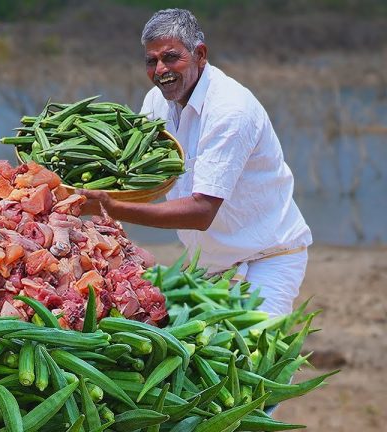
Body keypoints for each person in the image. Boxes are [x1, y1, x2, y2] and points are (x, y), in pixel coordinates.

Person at [80, 8, 312, 317]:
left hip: (266, 257)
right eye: (152, 61)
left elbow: (202, 210)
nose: (161, 69)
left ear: (200, 54)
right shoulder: (155, 103)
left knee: (257, 355)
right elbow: (135, 175)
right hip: (209, 262)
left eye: (171, 57)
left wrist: (111, 208)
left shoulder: (230, 109)